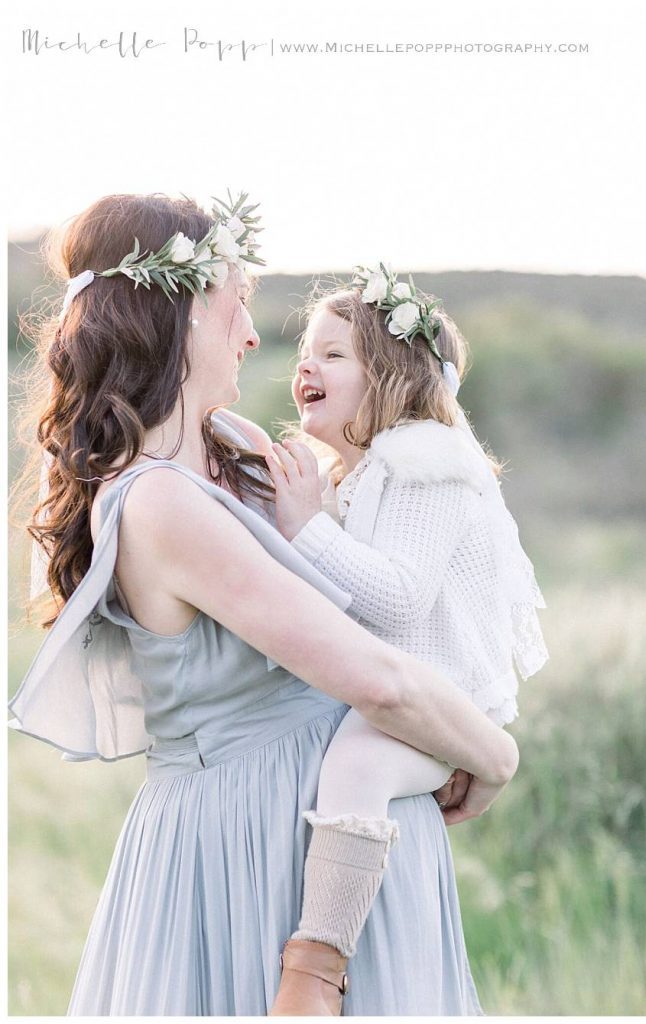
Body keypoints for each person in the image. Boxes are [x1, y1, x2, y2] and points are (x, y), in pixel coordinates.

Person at [9, 193, 518, 1016]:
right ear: (177, 312)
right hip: (242, 855)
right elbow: (375, 680)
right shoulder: (157, 505)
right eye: (237, 301)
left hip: (353, 852)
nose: (251, 332)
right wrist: (495, 755)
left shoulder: (239, 447)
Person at [264, 268, 549, 1013]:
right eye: (305, 352)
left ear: (392, 375)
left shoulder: (426, 462)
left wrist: (305, 525)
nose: (306, 366)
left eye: (332, 354)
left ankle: (315, 970)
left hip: (443, 698)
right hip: (399, 691)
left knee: (357, 761)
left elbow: (395, 598)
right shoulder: (360, 474)